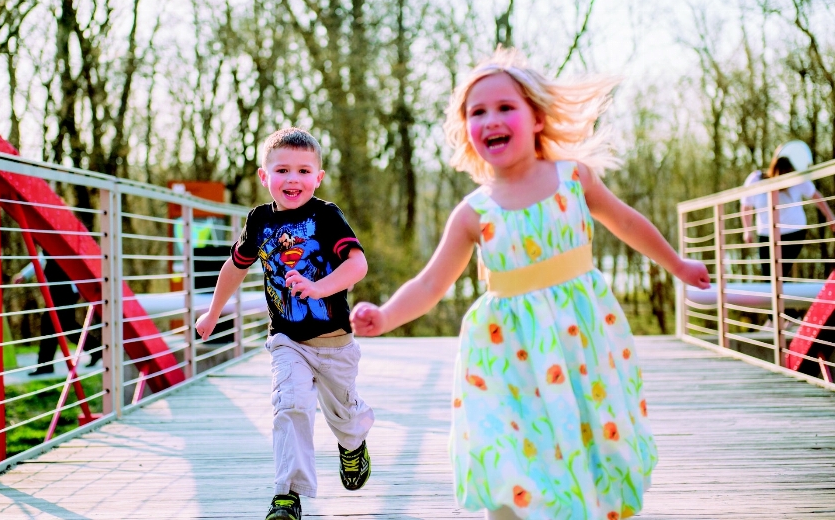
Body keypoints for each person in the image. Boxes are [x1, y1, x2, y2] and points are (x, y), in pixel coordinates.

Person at [350, 48, 710, 520]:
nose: (491, 119)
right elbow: (431, 282)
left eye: (505, 107)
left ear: (536, 118)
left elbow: (626, 222)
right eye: (477, 112)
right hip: (506, 352)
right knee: (512, 445)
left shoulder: (573, 179)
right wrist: (387, 315)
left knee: (590, 432)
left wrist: (677, 264)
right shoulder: (474, 213)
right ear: (467, 132)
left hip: (580, 342)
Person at [195, 128, 373, 520]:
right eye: (282, 170)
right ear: (264, 176)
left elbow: (357, 264)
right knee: (289, 406)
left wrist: (317, 287)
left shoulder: (326, 216)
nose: (293, 179)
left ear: (318, 177)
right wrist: (212, 313)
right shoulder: (258, 220)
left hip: (334, 342)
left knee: (345, 416)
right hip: (287, 340)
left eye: (304, 171)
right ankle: (287, 495)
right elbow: (235, 267)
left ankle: (352, 445)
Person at [741, 155, 835, 279]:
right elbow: (746, 206)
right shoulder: (755, 179)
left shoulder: (796, 179)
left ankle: (780, 294)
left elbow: (816, 196)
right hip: (766, 234)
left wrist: (830, 217)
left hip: (793, 232)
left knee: (780, 273)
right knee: (768, 275)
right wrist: (747, 230)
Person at [12, 253, 101, 375]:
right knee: (64, 325)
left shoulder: (61, 245)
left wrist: (79, 287)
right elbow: (40, 260)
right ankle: (96, 350)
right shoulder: (48, 248)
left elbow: (76, 264)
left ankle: (46, 365)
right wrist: (24, 275)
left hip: (66, 291)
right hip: (57, 291)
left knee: (55, 325)